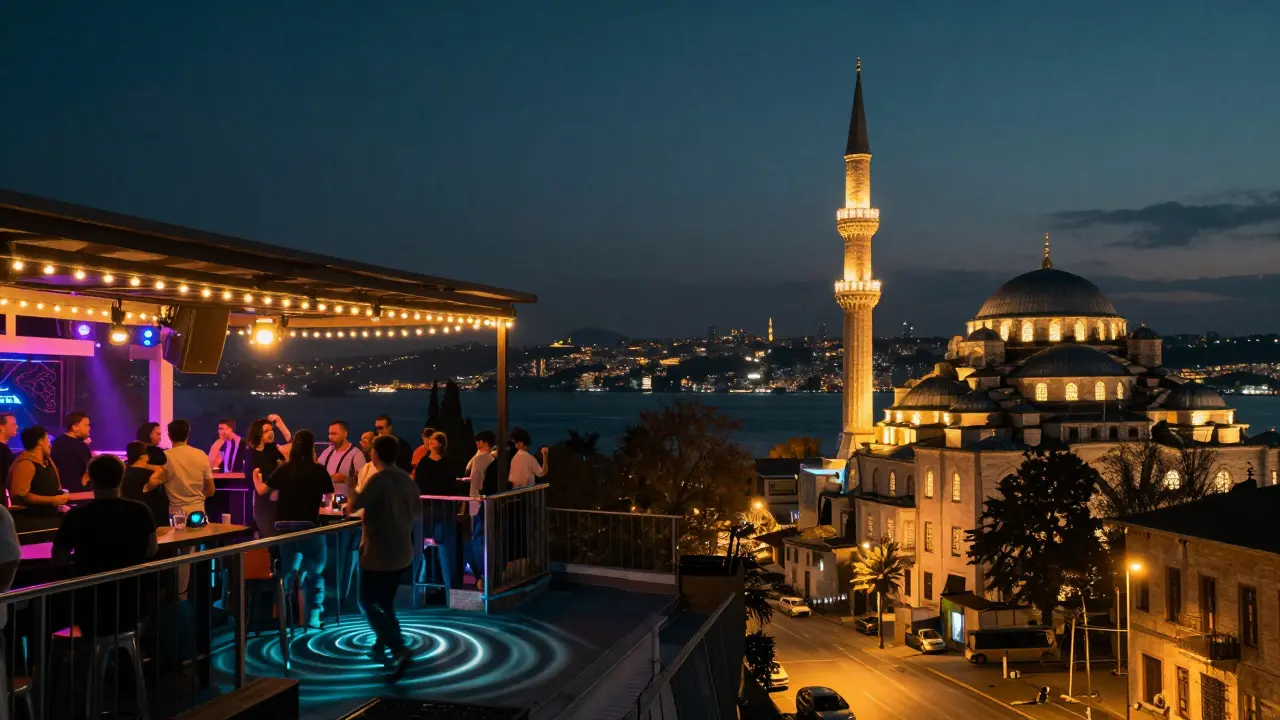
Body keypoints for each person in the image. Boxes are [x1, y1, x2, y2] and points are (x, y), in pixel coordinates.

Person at [52, 455, 157, 635]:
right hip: (133, 601)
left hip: (90, 605)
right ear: (122, 477)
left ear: (91, 480)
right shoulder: (140, 510)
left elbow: (58, 558)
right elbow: (151, 550)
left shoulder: (77, 516)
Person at [352, 435, 421, 680]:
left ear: (375, 455)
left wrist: (351, 485)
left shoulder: (377, 480)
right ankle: (382, 645)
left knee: (366, 601)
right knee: (386, 601)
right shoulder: (408, 480)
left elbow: (354, 505)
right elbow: (416, 513)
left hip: (378, 553)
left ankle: (398, 647)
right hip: (403, 551)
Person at [265, 430, 333, 629]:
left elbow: (270, 494)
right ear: (312, 447)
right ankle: (312, 617)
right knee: (315, 572)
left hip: (284, 527)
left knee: (287, 571)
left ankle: (283, 616)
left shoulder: (284, 469)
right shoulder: (318, 470)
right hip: (308, 526)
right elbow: (329, 498)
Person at [414, 431, 458, 588]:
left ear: (442, 444)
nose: (433, 442)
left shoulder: (447, 463)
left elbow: (451, 485)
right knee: (421, 549)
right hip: (426, 509)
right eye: (432, 439)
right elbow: (418, 484)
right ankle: (420, 588)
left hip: (442, 510)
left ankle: (447, 587)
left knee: (444, 548)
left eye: (437, 440)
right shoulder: (423, 463)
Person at [7, 426, 68, 529]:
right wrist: (53, 499)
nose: (50, 444)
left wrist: (59, 503)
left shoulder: (47, 462)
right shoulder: (25, 464)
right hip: (32, 522)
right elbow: (20, 495)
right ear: (40, 441)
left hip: (50, 519)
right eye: (47, 439)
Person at [245, 416, 292, 537]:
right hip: (265, 504)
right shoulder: (252, 455)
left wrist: (280, 424)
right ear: (258, 434)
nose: (271, 433)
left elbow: (293, 445)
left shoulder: (272, 450)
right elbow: (260, 489)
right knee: (271, 538)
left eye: (272, 430)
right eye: (266, 431)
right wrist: (280, 468)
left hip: (281, 502)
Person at [463, 431, 497, 591]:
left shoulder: (478, 459)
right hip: (489, 501)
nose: (476, 444)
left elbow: (475, 481)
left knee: (475, 535)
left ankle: (479, 574)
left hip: (476, 500)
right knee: (485, 535)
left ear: (483, 443)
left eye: (479, 442)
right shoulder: (493, 459)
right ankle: (488, 572)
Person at [162, 419, 216, 518]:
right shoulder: (201, 454)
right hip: (198, 510)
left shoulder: (164, 456)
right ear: (188, 434)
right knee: (199, 533)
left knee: (176, 533)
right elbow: (211, 490)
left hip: (175, 513)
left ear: (169, 435)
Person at [123, 441, 169, 528]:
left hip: (129, 518)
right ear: (142, 456)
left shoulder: (124, 473)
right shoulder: (150, 474)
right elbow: (162, 475)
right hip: (149, 520)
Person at [319, 420, 365, 496]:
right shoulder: (327, 452)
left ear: (345, 434)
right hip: (326, 502)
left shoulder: (356, 454)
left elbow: (363, 483)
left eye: (334, 434)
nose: (331, 437)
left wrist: (345, 479)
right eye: (329, 434)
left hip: (347, 503)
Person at [51, 411, 91, 491]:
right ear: (75, 427)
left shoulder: (56, 442)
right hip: (79, 492)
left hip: (60, 490)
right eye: (86, 425)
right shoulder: (80, 446)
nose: (89, 428)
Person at [0, 412, 17, 498]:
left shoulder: (5, 449)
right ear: (1, 427)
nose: (16, 427)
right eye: (13, 424)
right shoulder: (3, 451)